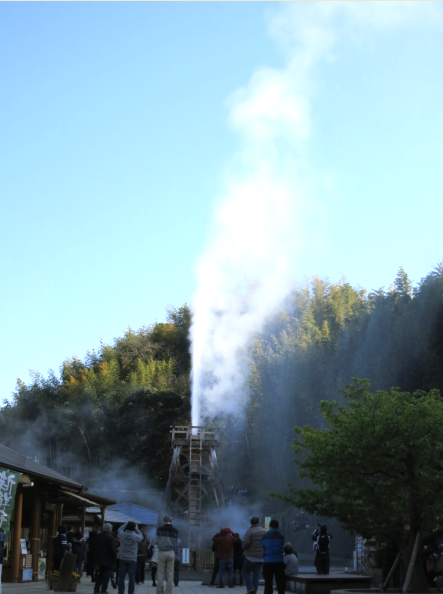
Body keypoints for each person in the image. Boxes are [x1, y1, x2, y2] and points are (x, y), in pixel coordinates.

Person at [154, 516, 179, 594]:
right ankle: (168, 592)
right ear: (171, 521)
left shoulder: (159, 530)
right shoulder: (175, 531)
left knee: (160, 573)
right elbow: (177, 543)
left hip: (162, 552)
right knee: (170, 574)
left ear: (163, 521)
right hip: (171, 552)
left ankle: (159, 591)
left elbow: (155, 541)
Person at [242, 516, 266, 594]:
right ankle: (254, 591)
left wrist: (243, 547)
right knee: (256, 575)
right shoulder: (264, 531)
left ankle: (250, 588)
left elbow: (245, 544)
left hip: (250, 557)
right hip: (260, 557)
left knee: (245, 572)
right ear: (258, 522)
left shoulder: (250, 531)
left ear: (251, 523)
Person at [117, 521, 143, 594]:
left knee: (121, 577)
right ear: (134, 528)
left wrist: (126, 523)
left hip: (122, 558)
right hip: (132, 559)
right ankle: (131, 592)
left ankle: (121, 592)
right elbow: (142, 536)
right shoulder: (136, 536)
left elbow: (119, 529)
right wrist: (137, 529)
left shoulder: (122, 535)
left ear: (127, 527)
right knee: (131, 577)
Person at [261, 519, 285, 594]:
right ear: (278, 526)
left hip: (268, 561)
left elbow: (262, 545)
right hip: (279, 561)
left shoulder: (265, 536)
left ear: (270, 526)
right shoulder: (281, 537)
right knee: (280, 581)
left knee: (268, 582)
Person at [94, 523, 117, 594]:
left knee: (100, 575)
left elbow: (93, 548)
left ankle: (96, 589)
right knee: (107, 575)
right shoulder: (111, 538)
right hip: (108, 559)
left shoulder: (97, 536)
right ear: (109, 529)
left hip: (99, 559)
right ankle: (103, 589)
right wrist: (115, 556)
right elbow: (113, 549)